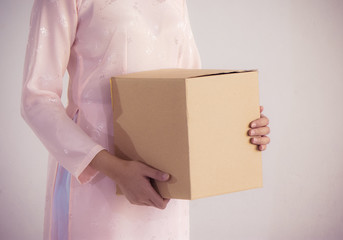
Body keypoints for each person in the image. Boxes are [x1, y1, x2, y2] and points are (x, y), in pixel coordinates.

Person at [21, 0, 270, 239]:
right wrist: (115, 169)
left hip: (164, 181)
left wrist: (239, 125)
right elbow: (37, 99)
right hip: (96, 178)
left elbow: (191, 90)